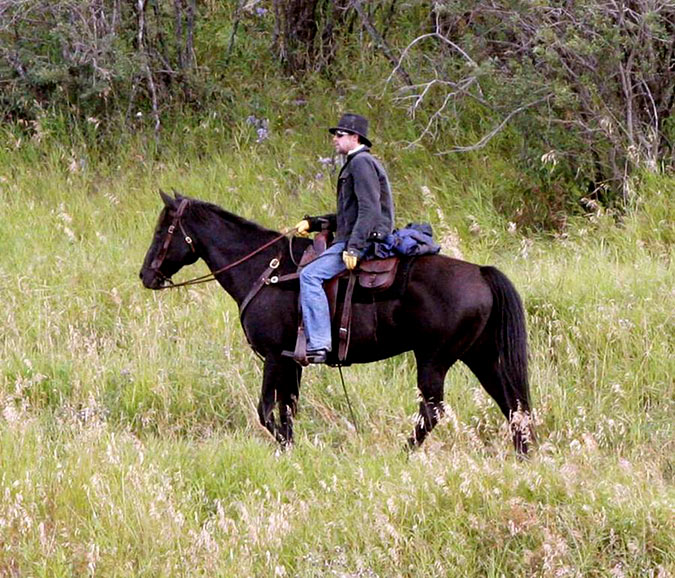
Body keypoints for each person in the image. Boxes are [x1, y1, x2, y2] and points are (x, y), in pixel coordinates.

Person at [294, 113, 395, 364]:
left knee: (310, 275)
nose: (334, 139)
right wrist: (316, 223)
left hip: (366, 240)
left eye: (340, 135)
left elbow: (370, 210)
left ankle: (318, 344)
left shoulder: (361, 163)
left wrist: (355, 247)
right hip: (355, 235)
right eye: (334, 135)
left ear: (355, 137)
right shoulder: (355, 162)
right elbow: (350, 214)